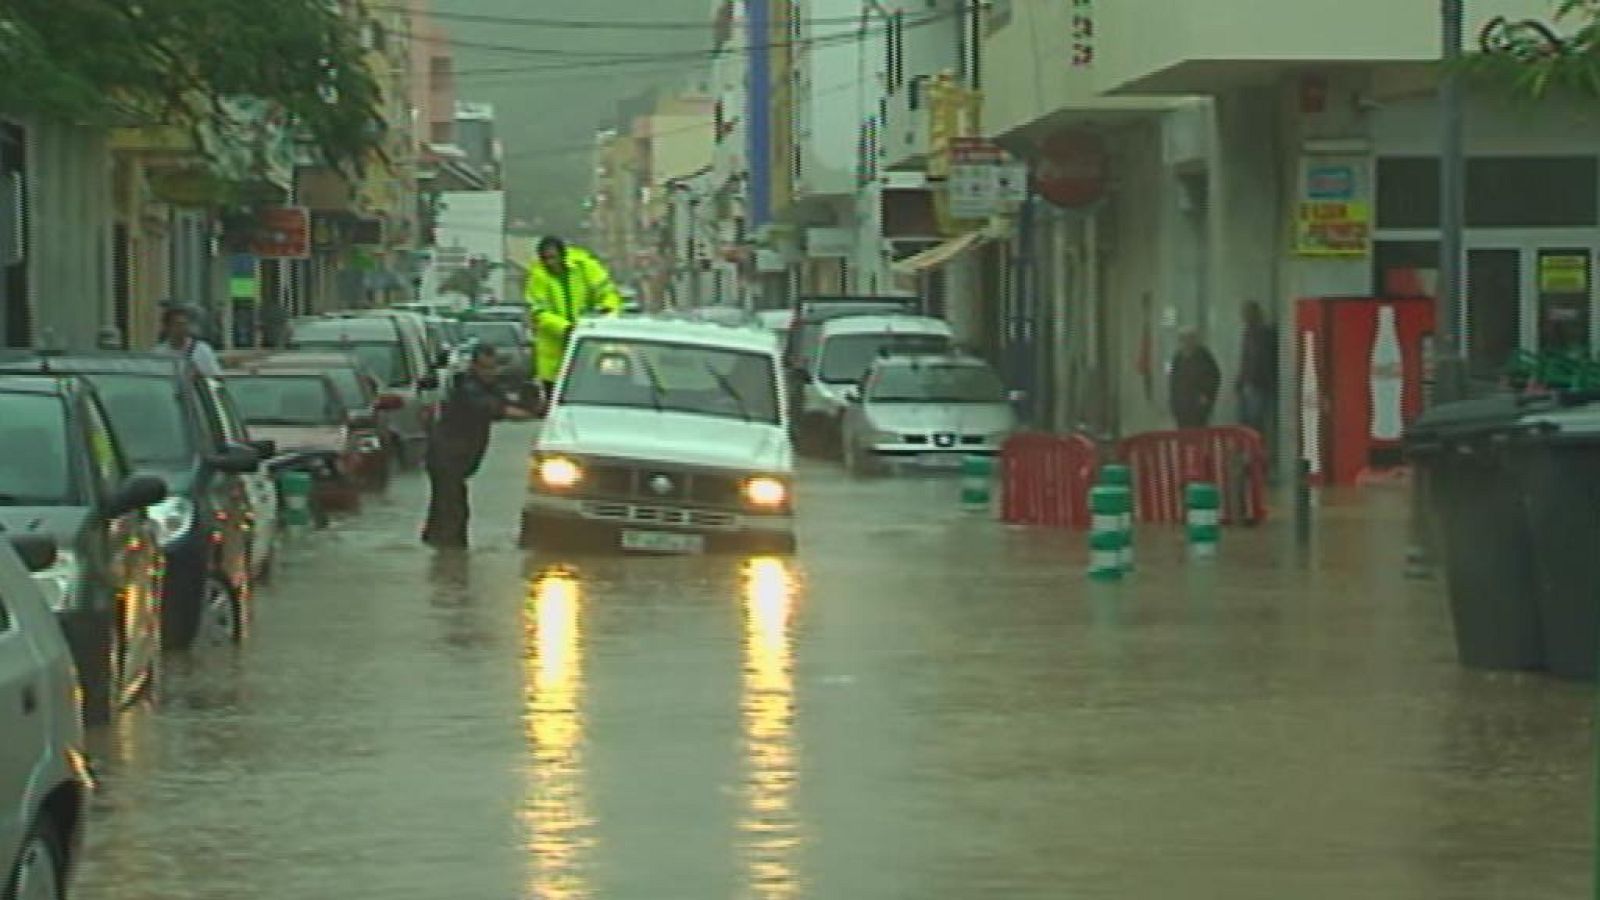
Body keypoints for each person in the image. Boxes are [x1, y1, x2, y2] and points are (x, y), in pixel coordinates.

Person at [422, 343, 533, 549]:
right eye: (485, 368)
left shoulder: (488, 386)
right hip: (446, 455)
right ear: (474, 366)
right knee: (452, 512)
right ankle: (450, 560)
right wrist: (525, 415)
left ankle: (439, 552)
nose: (490, 373)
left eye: (493, 368)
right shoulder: (467, 386)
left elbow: (504, 401)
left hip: (458, 457)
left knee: (445, 510)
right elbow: (490, 407)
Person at [524, 236, 623, 406]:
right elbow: (538, 312)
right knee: (557, 405)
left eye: (553, 257)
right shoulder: (538, 276)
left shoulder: (585, 266)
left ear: (563, 255)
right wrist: (566, 328)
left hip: (590, 345)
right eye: (545, 258)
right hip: (554, 355)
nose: (550, 262)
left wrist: (607, 313)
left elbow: (607, 292)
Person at [1237, 300, 1278, 440]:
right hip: (1251, 383)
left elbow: (1260, 360)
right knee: (1248, 421)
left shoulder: (1264, 333)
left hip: (1259, 383)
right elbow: (1247, 359)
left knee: (1255, 421)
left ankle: (1257, 452)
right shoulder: (1249, 333)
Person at [1169, 327, 1221, 429]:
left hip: (1199, 402)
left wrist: (1206, 394)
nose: (1187, 341)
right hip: (1181, 403)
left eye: (1190, 338)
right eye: (1184, 339)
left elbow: (1214, 375)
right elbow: (1173, 381)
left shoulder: (1204, 355)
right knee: (1183, 433)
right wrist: (1173, 402)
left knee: (1199, 431)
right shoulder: (1178, 357)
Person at [153, 306, 223, 378]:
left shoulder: (202, 350)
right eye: (178, 324)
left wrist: (200, 378)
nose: (183, 328)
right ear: (167, 327)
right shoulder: (159, 353)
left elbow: (218, 387)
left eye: (185, 324)